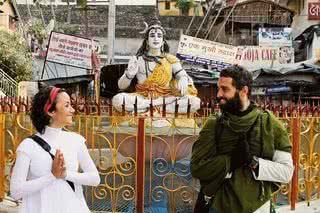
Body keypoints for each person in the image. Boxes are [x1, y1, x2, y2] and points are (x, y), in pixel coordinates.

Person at [190, 65, 294, 213]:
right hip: (220, 206)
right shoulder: (214, 124)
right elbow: (197, 168)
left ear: (244, 91)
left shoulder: (269, 124)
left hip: (259, 207)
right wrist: (231, 161)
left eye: (225, 89)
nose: (219, 94)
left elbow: (286, 172)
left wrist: (253, 162)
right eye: (218, 88)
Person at [10, 86, 100, 213]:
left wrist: (65, 174)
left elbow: (95, 179)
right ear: (51, 111)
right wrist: (52, 176)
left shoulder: (76, 141)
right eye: (67, 105)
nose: (73, 110)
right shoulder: (28, 146)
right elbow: (15, 191)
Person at [112, 20, 200, 114]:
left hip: (165, 96)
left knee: (195, 102)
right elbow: (121, 86)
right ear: (147, 41)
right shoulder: (138, 60)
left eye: (159, 36)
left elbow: (183, 75)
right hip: (143, 97)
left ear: (163, 42)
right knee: (118, 99)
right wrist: (129, 75)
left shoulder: (170, 60)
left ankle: (148, 109)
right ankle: (157, 106)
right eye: (152, 36)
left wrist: (183, 79)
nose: (156, 39)